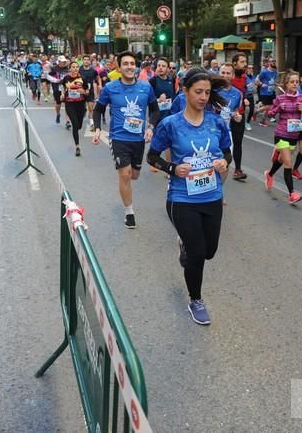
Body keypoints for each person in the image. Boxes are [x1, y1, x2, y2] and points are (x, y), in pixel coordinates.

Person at [146, 68, 232, 325]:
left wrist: (223, 163)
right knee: (197, 253)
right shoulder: (170, 124)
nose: (204, 97)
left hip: (212, 194)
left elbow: (227, 152)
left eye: (207, 92)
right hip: (182, 198)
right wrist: (173, 168)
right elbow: (152, 157)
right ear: (185, 91)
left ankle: (186, 245)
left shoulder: (216, 122)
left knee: (209, 251)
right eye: (198, 92)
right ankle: (196, 299)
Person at [92, 51, 160, 229]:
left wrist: (151, 127)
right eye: (126, 64)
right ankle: (129, 212)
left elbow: (155, 110)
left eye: (132, 64)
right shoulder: (110, 88)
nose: (129, 67)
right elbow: (98, 109)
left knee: (135, 175)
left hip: (138, 139)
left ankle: (128, 195)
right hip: (118, 137)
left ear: (136, 67)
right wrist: (98, 128)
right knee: (125, 174)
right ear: (119, 67)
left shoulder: (146, 87)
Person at [264, 70, 302, 204]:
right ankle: (292, 194)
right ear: (286, 84)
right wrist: (278, 108)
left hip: (294, 135)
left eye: (297, 82)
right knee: (288, 163)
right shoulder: (280, 99)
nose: (295, 84)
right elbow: (270, 114)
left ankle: (270, 174)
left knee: (281, 159)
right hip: (281, 134)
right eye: (292, 82)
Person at [50, 61, 89, 157]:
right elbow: (63, 88)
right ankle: (77, 146)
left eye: (76, 67)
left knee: (79, 125)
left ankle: (78, 126)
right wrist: (63, 94)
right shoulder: (66, 78)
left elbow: (87, 91)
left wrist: (83, 91)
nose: (75, 69)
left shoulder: (82, 78)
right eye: (73, 67)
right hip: (70, 104)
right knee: (75, 125)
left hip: (80, 104)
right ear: (70, 68)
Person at [229, 54, 250, 180]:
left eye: (245, 61)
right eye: (242, 62)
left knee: (238, 142)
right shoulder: (227, 78)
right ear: (234, 63)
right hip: (226, 116)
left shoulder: (244, 77)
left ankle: (237, 169)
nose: (245, 64)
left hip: (239, 115)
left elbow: (244, 91)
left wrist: (246, 99)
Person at [78, 55, 101, 131]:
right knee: (81, 108)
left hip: (90, 91)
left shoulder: (93, 71)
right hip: (81, 91)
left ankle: (92, 124)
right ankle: (83, 111)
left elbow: (98, 78)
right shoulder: (79, 70)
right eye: (85, 59)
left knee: (91, 108)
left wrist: (100, 85)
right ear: (82, 61)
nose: (86, 61)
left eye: (88, 59)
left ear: (90, 61)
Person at [255, 57, 278, 126]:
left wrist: (277, 84)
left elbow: (273, 81)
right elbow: (257, 81)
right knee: (270, 106)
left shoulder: (275, 72)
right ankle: (256, 111)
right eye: (272, 61)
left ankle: (262, 121)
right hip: (264, 92)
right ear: (268, 63)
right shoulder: (264, 71)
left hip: (271, 91)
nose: (274, 62)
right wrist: (261, 84)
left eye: (274, 61)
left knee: (268, 108)